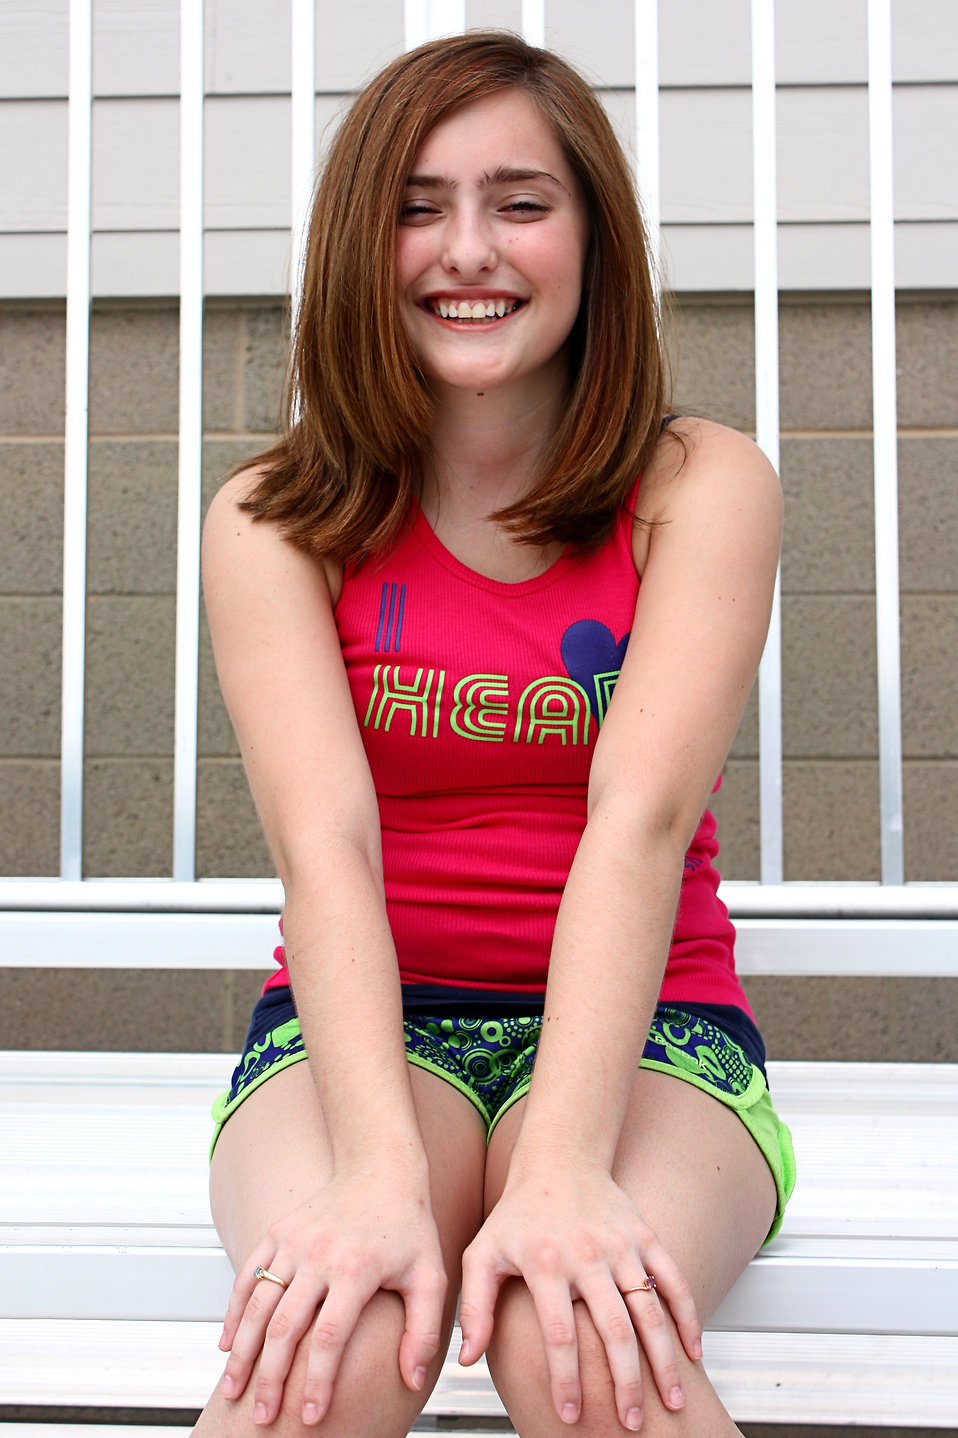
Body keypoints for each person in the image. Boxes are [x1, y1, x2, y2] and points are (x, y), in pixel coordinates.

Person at [195, 30, 795, 1438]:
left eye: (520, 201)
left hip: (650, 1033)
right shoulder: (273, 516)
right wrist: (377, 1180)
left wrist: (566, 1167)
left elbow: (637, 823)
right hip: (359, 1028)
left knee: (572, 1336)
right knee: (338, 1343)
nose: (468, 248)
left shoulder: (697, 486)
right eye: (417, 205)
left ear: (591, 237)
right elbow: (325, 846)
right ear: (362, 242)